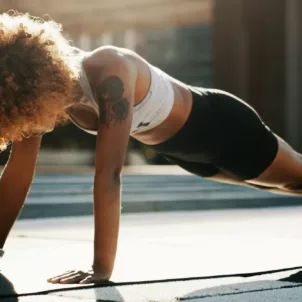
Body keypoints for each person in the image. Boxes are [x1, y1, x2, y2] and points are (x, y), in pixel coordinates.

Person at [0, 11, 302, 285]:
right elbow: (18, 170)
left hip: (223, 129)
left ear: (36, 79)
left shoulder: (110, 69)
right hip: (184, 154)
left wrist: (101, 268)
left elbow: (109, 174)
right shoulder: (41, 98)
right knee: (286, 187)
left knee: (297, 179)